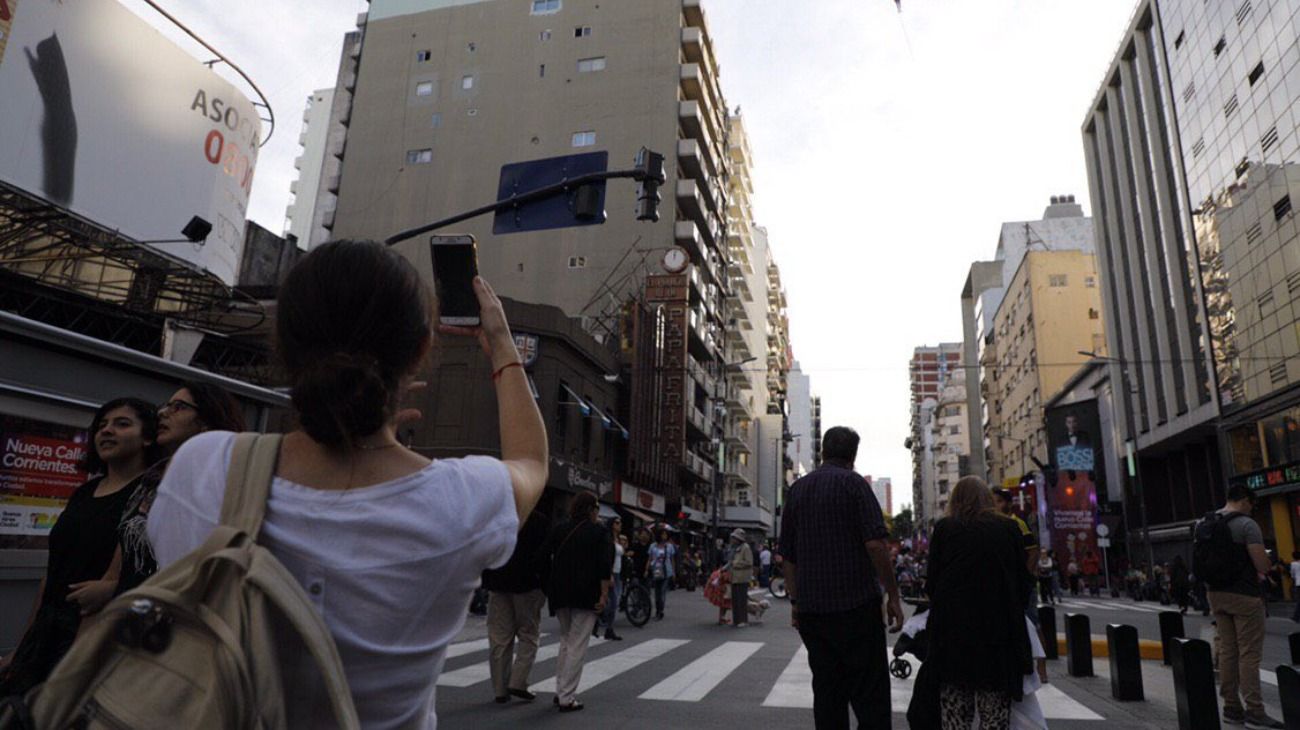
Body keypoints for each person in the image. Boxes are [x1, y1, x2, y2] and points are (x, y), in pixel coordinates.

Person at [147, 241, 549, 729]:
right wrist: (502, 345)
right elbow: (531, 461)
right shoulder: (459, 502)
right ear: (420, 351)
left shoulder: (200, 466)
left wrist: (347, 428)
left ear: (282, 340)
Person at [0, 398, 162, 695]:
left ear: (148, 437)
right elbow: (53, 571)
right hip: (46, 634)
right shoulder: (85, 492)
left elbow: (156, 572)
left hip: (91, 638)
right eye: (101, 426)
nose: (107, 431)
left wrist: (113, 588)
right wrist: (22, 647)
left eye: (122, 424)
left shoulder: (150, 497)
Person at [74, 382, 247, 615]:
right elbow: (125, 546)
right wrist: (109, 587)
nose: (163, 413)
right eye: (165, 406)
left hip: (183, 619)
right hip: (130, 616)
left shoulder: (221, 480)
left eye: (178, 407)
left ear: (206, 420)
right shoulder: (151, 479)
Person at [780, 426, 901, 730]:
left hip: (813, 612)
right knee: (869, 695)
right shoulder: (854, 485)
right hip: (857, 607)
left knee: (828, 693)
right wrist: (893, 596)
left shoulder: (797, 490)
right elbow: (875, 544)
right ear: (853, 456)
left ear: (823, 452)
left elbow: (788, 556)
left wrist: (795, 601)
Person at [920, 477, 1033, 730]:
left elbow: (933, 583)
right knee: (994, 713)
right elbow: (1023, 582)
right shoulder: (1008, 528)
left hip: (953, 637)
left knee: (955, 711)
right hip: (998, 636)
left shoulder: (945, 528)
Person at [1199, 485, 1283, 728]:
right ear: (1245, 501)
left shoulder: (1205, 523)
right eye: (1252, 505)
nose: (1251, 509)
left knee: (1227, 650)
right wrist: (1269, 565)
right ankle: (1255, 710)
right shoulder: (1246, 525)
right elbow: (1262, 564)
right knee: (1249, 653)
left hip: (1215, 594)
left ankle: (1231, 707)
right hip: (1245, 596)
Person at [538, 492, 612, 713]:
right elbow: (604, 566)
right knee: (577, 644)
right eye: (596, 508)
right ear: (591, 509)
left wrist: (548, 584)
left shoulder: (559, 529)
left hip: (560, 593)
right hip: (586, 594)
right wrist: (603, 595)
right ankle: (566, 696)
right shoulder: (599, 532)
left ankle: (560, 689)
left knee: (566, 640)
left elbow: (541, 557)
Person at [483, 507, 551, 704]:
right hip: (527, 585)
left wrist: (487, 579)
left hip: (498, 583)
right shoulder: (539, 520)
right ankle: (518, 681)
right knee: (528, 634)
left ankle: (499, 689)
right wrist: (545, 584)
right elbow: (544, 556)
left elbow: (487, 549)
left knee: (499, 637)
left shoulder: (498, 518)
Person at [594, 516, 624, 641]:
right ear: (611, 524)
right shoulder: (608, 538)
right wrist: (609, 574)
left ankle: (604, 627)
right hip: (610, 573)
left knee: (613, 602)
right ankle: (602, 625)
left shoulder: (618, 539)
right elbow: (607, 558)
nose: (619, 525)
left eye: (620, 522)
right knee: (612, 602)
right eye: (617, 523)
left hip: (618, 573)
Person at [725, 529, 754, 627]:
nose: (732, 539)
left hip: (742, 577)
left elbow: (749, 562)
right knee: (735, 600)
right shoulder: (734, 548)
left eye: (734, 537)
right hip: (734, 577)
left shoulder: (745, 548)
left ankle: (743, 620)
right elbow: (729, 561)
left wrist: (736, 564)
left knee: (741, 600)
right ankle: (736, 620)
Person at [646, 528, 675, 620]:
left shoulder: (669, 546)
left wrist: (674, 572)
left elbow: (672, 559)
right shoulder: (653, 546)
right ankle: (658, 609)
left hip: (666, 570)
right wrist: (646, 569)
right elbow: (650, 558)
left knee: (662, 591)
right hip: (656, 569)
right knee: (657, 591)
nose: (664, 536)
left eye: (665, 534)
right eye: (662, 534)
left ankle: (661, 610)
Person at [1291, 551, 1300, 624]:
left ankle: (1296, 616)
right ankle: (1296, 616)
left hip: (1298, 583)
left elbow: (1293, 574)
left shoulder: (1293, 564)